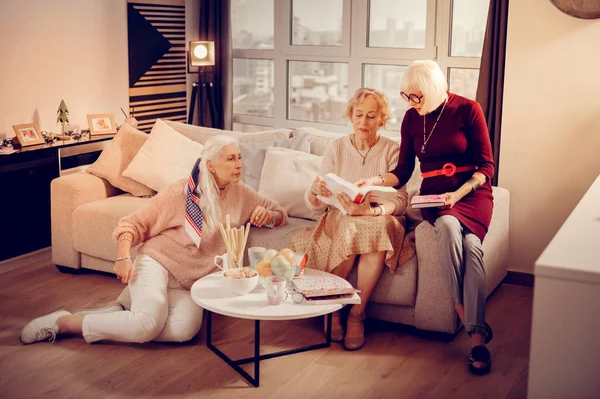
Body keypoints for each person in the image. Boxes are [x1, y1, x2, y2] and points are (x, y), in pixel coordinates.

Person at [20, 135, 288, 345]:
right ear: (211, 165)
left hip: (189, 282)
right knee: (146, 324)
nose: (239, 164)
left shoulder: (241, 194)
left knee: (183, 330)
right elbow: (132, 223)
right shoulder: (181, 192)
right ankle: (66, 323)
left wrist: (270, 216)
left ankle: (119, 311)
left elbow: (279, 212)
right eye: (230, 159)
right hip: (158, 263)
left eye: (239, 157)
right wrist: (124, 256)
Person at [357, 60, 495, 375]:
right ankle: (473, 328)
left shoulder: (468, 110)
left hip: (472, 196)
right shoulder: (410, 119)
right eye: (406, 96)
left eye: (416, 96)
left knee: (473, 248)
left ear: (433, 90)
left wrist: (459, 194)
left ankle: (473, 332)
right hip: (434, 199)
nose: (410, 102)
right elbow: (403, 171)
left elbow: (487, 166)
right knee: (446, 225)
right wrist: (375, 180)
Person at [291, 88, 415, 351]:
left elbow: (402, 200)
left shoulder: (393, 150)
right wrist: (317, 191)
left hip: (378, 217)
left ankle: (357, 314)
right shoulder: (337, 147)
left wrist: (375, 211)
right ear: (350, 115)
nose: (363, 122)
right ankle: (334, 310)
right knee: (349, 224)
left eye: (371, 116)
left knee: (375, 228)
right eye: (358, 115)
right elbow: (314, 205)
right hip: (343, 216)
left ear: (382, 119)